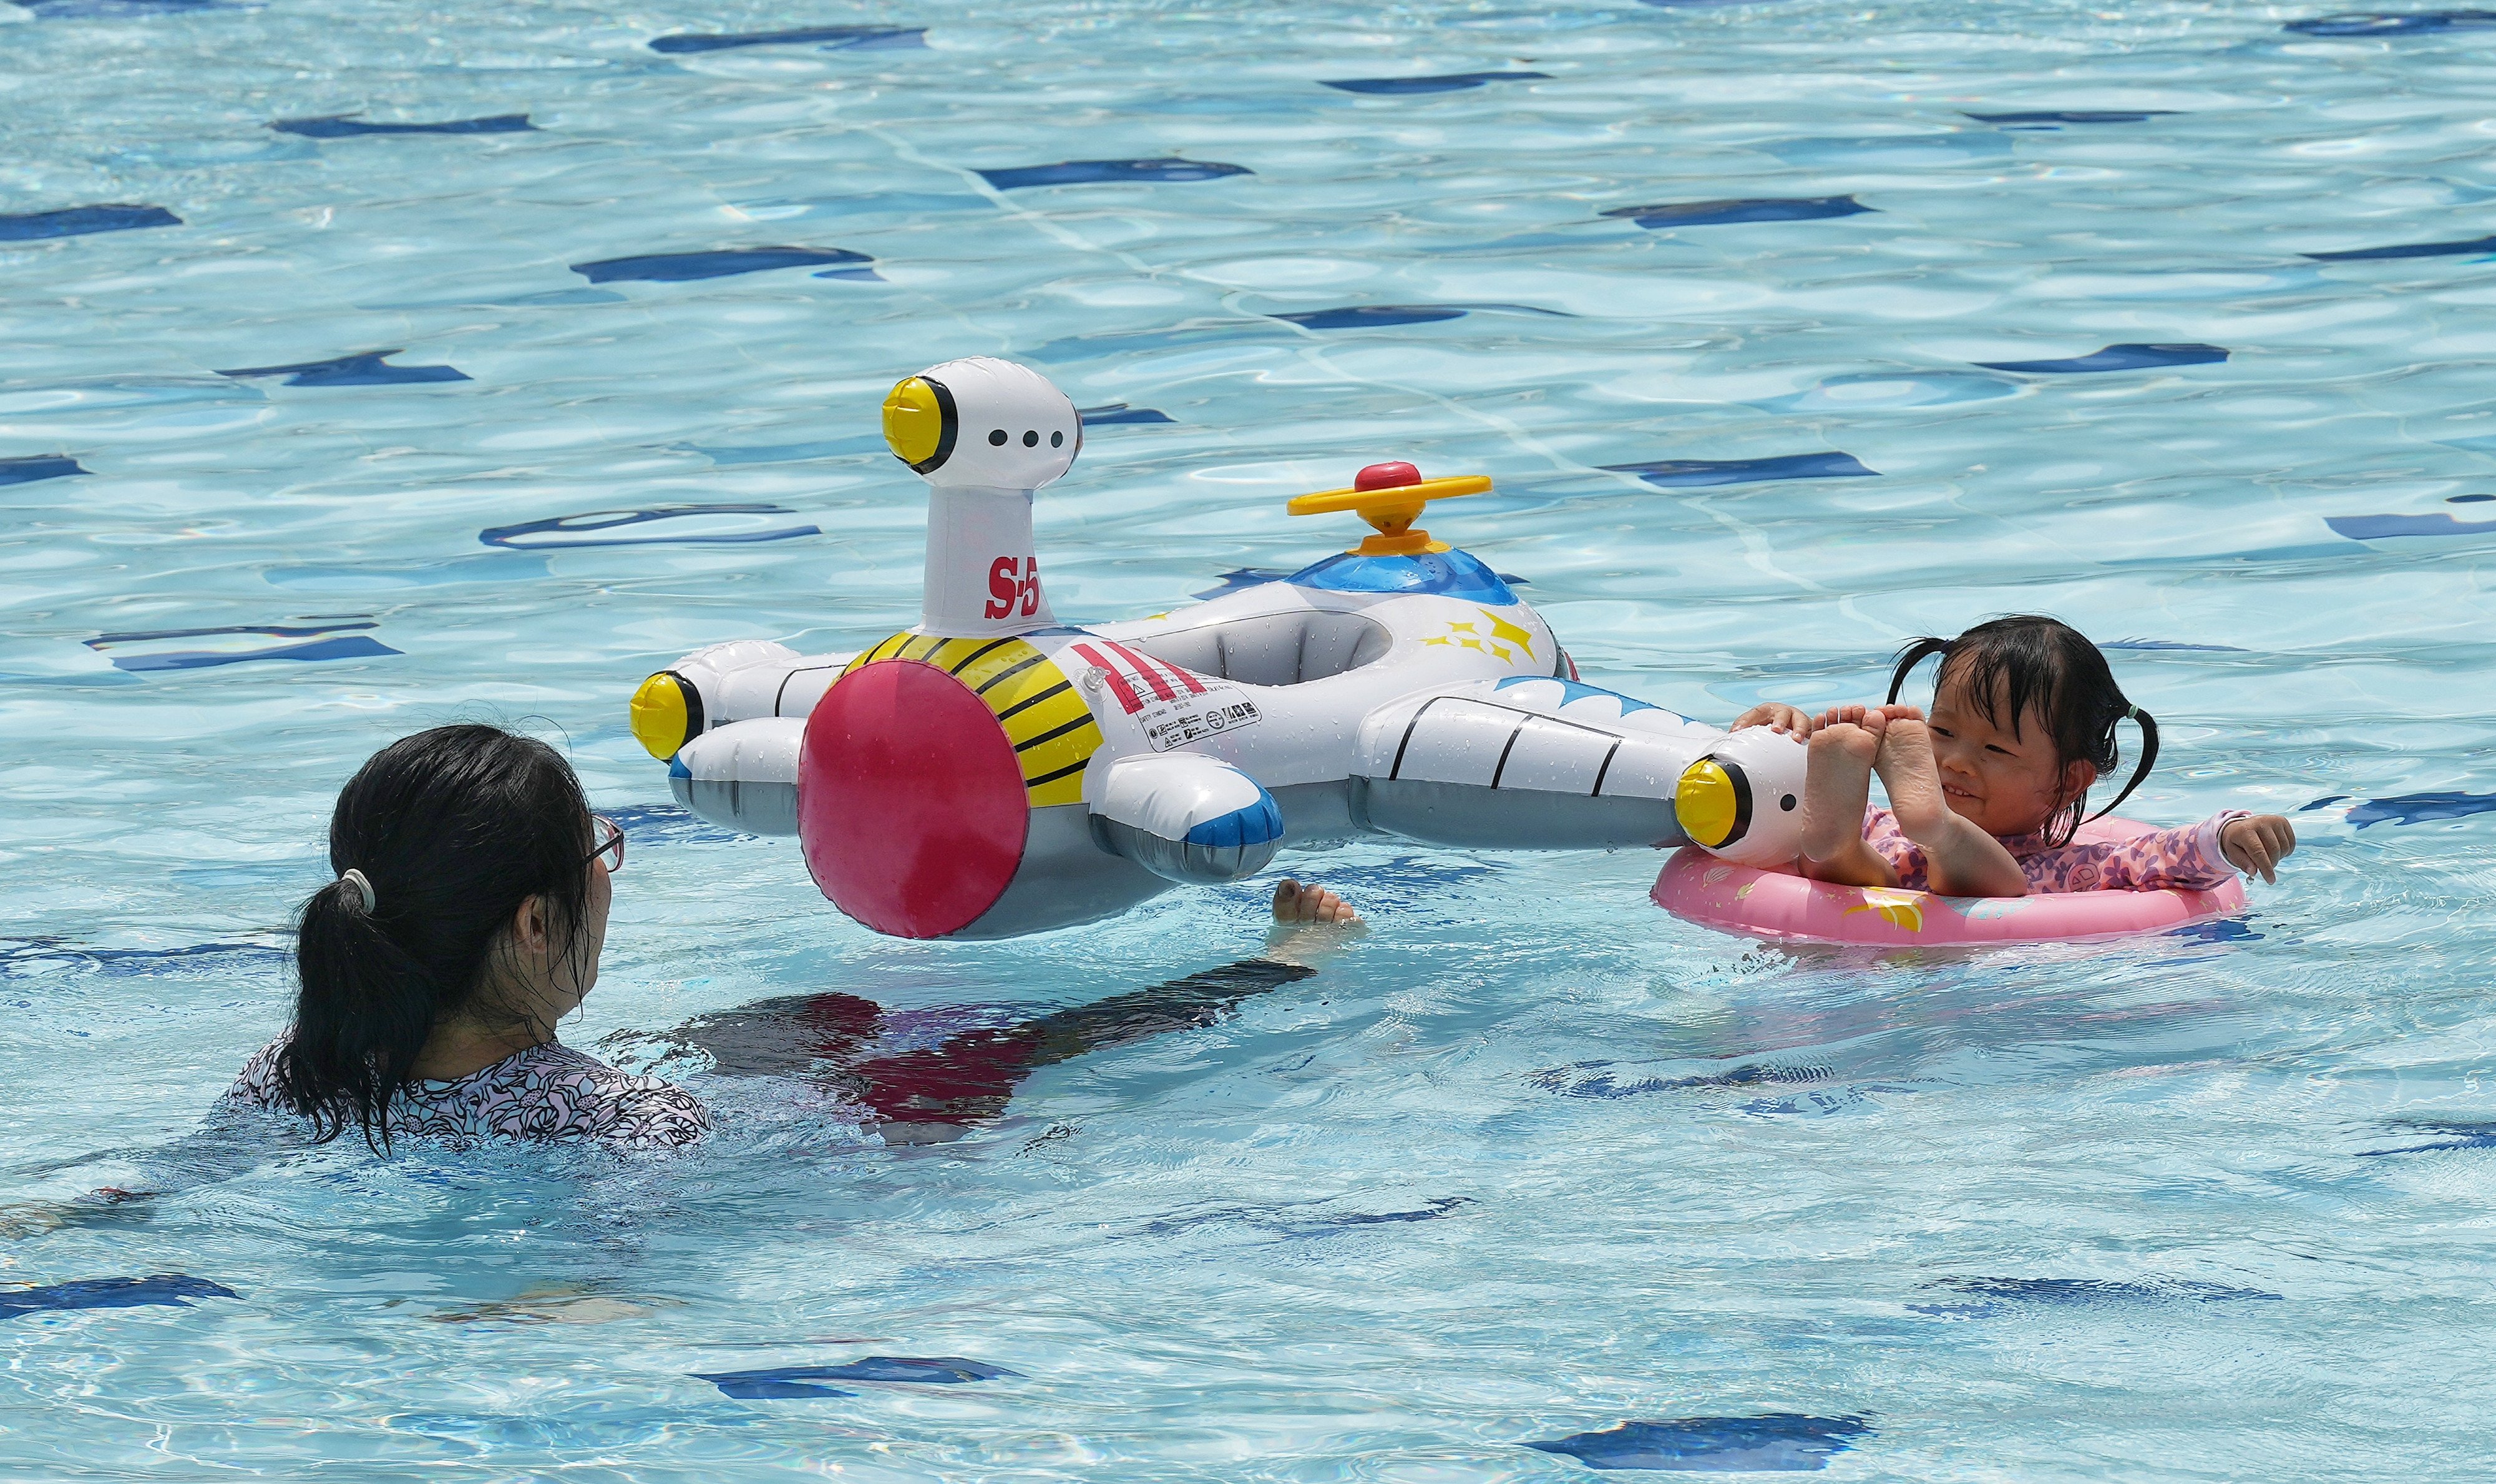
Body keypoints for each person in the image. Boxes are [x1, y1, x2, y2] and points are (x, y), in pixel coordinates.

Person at [226, 723, 1363, 1153]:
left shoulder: (290, 1076)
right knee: (1005, 1052)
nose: (609, 882)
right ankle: (1275, 970)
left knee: (792, 1025)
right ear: (533, 923)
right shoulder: (623, 1122)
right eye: (598, 856)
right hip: (789, 1148)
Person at [1730, 616, 2297, 898]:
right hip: (1881, 860)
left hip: (1932, 882)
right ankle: (1843, 841)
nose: (1954, 760)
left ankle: (1925, 834)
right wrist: (1782, 738)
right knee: (1833, 847)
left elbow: (2162, 854)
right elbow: (1764, 811)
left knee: (1981, 876)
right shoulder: (1880, 823)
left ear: (2069, 780)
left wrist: (2227, 833)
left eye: (1995, 747)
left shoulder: (2076, 867)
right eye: (1943, 731)